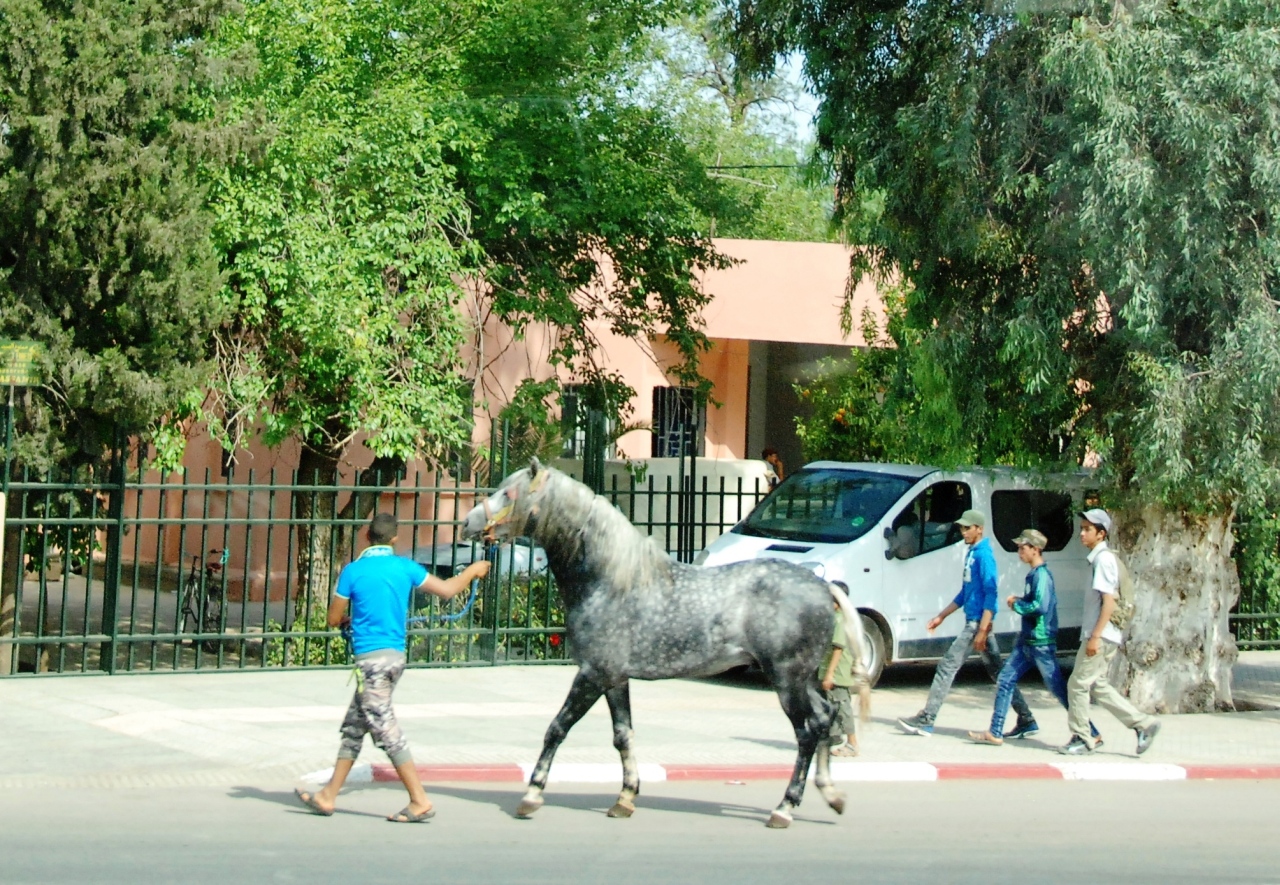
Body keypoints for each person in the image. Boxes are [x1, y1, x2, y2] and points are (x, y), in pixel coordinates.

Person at [295, 512, 491, 821]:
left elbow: (333, 618)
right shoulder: (405, 567)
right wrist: (473, 570)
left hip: (370, 662)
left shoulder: (353, 571)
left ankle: (419, 800)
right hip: (394, 658)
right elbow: (448, 590)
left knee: (386, 731)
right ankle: (327, 796)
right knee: (354, 729)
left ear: (366, 536)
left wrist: (349, 619)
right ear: (395, 538)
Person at [897, 509, 1036, 736]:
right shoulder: (972, 553)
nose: (963, 532)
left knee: (947, 666)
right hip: (976, 623)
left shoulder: (984, 556)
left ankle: (927, 718)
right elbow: (965, 592)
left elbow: (991, 594)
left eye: (967, 528)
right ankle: (1026, 719)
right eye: (962, 528)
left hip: (977, 624)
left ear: (979, 529)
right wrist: (941, 616)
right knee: (999, 673)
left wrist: (983, 629)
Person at [967, 529, 1101, 747]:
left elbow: (1040, 606)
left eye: (1023, 548)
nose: (1019, 552)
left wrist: (1016, 604)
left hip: (1041, 643)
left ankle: (1090, 731)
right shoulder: (1033, 575)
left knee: (1058, 689)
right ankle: (995, 731)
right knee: (1005, 679)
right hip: (1027, 641)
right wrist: (1020, 600)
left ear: (1035, 550)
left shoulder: (1042, 576)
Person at [1059, 508, 1161, 756]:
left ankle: (1083, 738)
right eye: (1082, 528)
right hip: (1104, 634)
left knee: (1077, 684)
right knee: (1097, 685)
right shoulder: (1100, 558)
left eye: (1087, 529)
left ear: (1101, 534)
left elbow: (1109, 602)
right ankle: (1143, 724)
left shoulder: (1103, 560)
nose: (1082, 534)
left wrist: (1095, 637)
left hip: (1101, 635)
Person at [821, 601, 860, 757]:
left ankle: (852, 743)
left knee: (843, 708)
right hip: (836, 672)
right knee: (834, 707)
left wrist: (830, 673)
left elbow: (838, 648)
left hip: (838, 673)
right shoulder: (837, 617)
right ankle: (834, 739)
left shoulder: (839, 619)